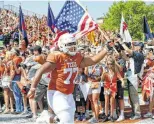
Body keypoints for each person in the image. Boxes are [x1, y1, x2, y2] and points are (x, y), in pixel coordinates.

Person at [27, 33, 113, 123]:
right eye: (69, 44)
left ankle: (47, 118)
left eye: (73, 43)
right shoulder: (57, 56)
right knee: (66, 119)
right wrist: (33, 88)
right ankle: (47, 118)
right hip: (56, 92)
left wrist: (105, 50)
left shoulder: (77, 56)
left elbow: (93, 60)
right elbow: (40, 70)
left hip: (69, 94)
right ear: (62, 45)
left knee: (69, 120)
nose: (72, 47)